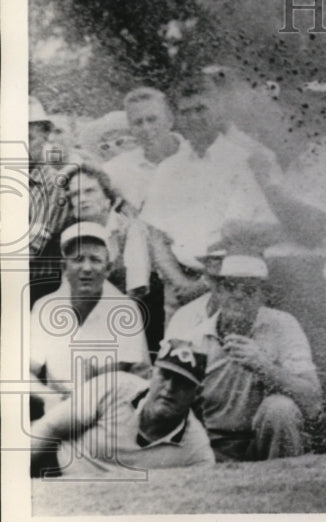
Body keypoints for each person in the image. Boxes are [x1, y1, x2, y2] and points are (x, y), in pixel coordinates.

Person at [140, 77, 281, 318]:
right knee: (178, 353)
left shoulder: (245, 160)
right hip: (179, 289)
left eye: (201, 109)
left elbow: (256, 232)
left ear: (218, 109)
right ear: (176, 118)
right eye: (186, 112)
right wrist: (182, 284)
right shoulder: (168, 169)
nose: (194, 118)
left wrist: (206, 284)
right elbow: (156, 237)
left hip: (234, 285)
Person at [163, 255, 321, 462]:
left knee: (280, 408)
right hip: (214, 446)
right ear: (217, 292)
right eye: (229, 287)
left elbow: (313, 402)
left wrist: (263, 366)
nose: (238, 296)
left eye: (249, 290)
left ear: (263, 296)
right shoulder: (194, 337)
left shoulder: (283, 325)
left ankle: (282, 485)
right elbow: (167, 410)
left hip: (265, 440)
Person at [30, 338, 214, 478]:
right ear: (151, 375)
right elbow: (49, 427)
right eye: (165, 376)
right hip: (56, 472)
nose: (170, 388)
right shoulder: (115, 386)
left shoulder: (196, 453)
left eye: (183, 383)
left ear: (196, 393)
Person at [30, 222, 150, 418]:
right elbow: (27, 370)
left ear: (108, 268)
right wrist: (49, 397)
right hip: (62, 413)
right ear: (64, 266)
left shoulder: (124, 310)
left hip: (117, 415)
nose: (86, 268)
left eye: (95, 260)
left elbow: (108, 384)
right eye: (77, 259)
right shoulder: (45, 307)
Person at [64, 162, 164, 351]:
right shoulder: (71, 235)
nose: (81, 199)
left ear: (108, 198)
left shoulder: (130, 230)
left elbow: (136, 291)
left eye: (89, 191)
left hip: (129, 321)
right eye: (75, 195)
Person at [104, 87, 187, 211]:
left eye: (152, 119)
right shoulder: (115, 170)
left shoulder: (201, 155)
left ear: (170, 119)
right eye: (138, 122)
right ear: (130, 127)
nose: (146, 128)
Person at [28, 96, 72, 306]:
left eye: (28, 138)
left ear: (45, 136)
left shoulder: (54, 186)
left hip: (37, 289)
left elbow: (27, 251)